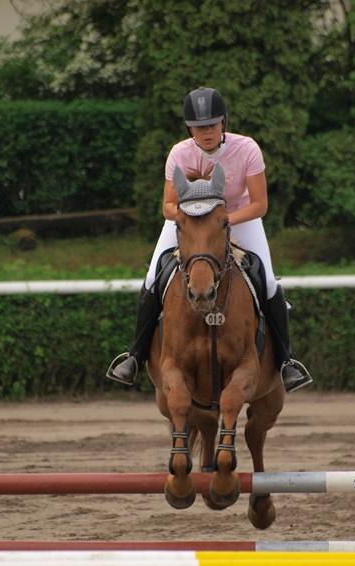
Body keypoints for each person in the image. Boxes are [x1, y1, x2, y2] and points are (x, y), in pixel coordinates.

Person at [107, 87, 312, 393]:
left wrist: (222, 223)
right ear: (189, 128)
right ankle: (134, 356)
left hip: (238, 218)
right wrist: (191, 221)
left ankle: (286, 361)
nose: (206, 132)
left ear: (223, 123)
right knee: (153, 278)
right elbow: (168, 206)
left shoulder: (247, 149)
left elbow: (260, 204)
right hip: (190, 223)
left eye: (212, 125)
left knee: (268, 281)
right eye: (199, 127)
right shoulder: (179, 153)